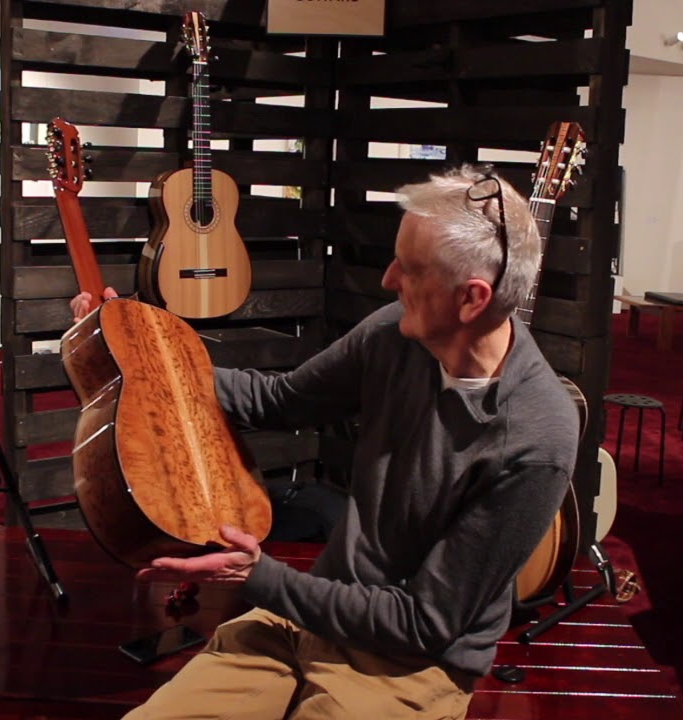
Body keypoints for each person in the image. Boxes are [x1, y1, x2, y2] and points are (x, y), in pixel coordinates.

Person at [70, 163, 579, 719]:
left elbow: (425, 622)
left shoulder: (536, 435)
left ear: (472, 300)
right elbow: (276, 401)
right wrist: (139, 357)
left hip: (410, 661)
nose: (387, 279)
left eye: (408, 269)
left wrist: (258, 577)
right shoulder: (393, 334)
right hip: (304, 616)